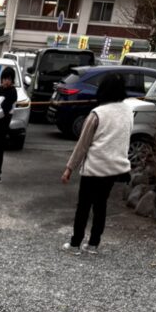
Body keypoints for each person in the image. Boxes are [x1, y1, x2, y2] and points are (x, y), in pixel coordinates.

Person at [61, 72, 133, 254]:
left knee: (84, 206)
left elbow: (82, 145)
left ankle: (75, 244)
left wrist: (69, 168)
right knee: (101, 205)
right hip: (115, 168)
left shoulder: (98, 114)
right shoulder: (128, 111)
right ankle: (93, 244)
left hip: (94, 168)